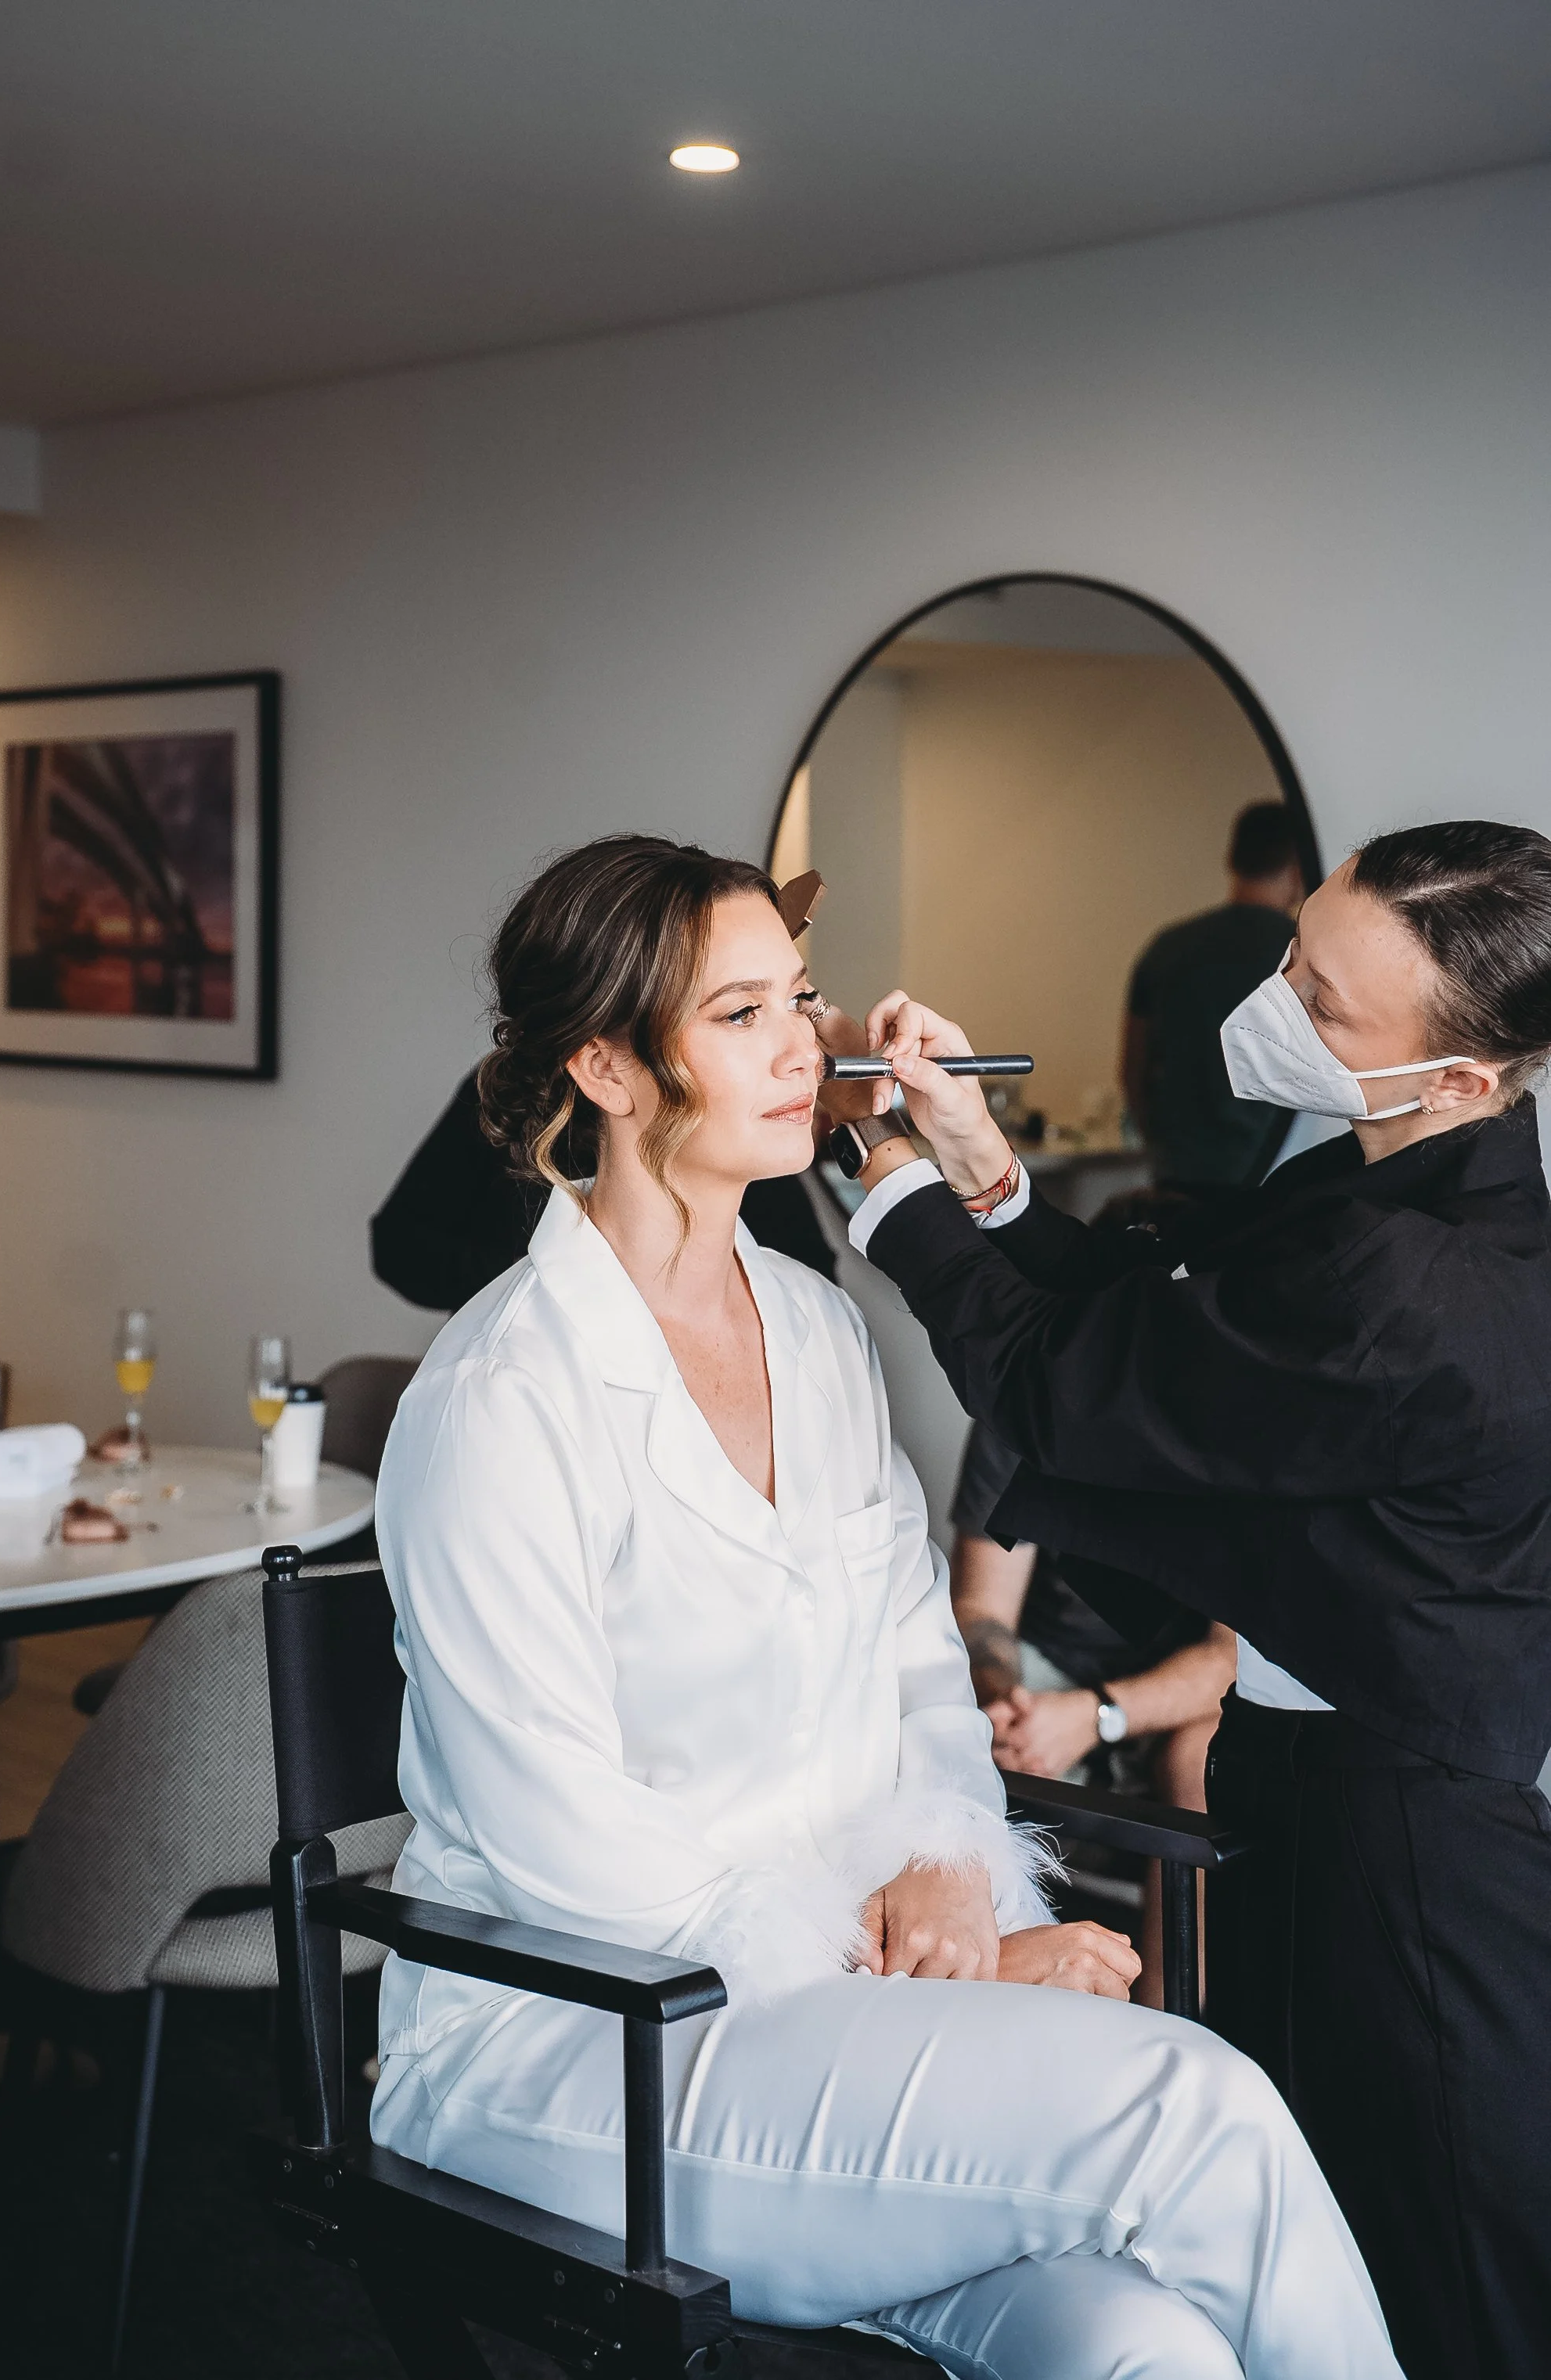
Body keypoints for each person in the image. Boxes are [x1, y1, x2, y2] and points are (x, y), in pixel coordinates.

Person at [370, 832, 1398, 2380]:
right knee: (1190, 2106)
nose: (810, 1047)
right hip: (586, 2048)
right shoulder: (499, 1401)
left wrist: (946, 1862)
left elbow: (923, 1663)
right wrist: (930, 1961)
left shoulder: (815, 1329)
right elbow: (564, 1840)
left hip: (831, 2036)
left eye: (802, 998)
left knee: (1141, 2347)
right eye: (740, 1015)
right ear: (607, 1064)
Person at [832, 819, 1551, 2380]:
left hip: (1414, 1831)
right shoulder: (1380, 1177)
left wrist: (887, 1192)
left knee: (1438, 2248)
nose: (1278, 999)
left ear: (1464, 1080)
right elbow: (1168, 1312)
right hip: (1311, 1775)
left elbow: (1075, 1387)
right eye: (1301, 950)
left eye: (1327, 1002)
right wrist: (982, 1165)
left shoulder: (1433, 1284)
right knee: (1304, 2207)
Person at [949, 1422, 1235, 2008]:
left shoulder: (1246, 1419)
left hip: (1184, 1695)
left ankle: (1171, 2021)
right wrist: (1004, 1701)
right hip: (1046, 1671)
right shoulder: (1025, 1403)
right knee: (943, 1724)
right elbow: (981, 1608)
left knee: (1198, 1758)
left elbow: (1228, 1661)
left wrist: (1094, 1716)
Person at [371, 1065, 836, 1312]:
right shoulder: (506, 1093)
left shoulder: (729, 1123)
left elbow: (810, 1270)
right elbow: (399, 1243)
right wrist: (540, 1290)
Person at [1121, 801, 1303, 1195]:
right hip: (1275, 1169)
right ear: (1298, 866)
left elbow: (1133, 1068)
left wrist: (1162, 1144)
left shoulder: (1169, 947)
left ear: (1231, 859)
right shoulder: (1301, 954)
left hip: (1179, 1172)